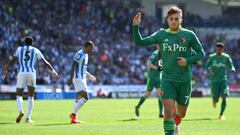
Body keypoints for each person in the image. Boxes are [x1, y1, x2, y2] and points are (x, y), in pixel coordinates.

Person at [132, 6, 205, 135]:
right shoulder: (161, 34)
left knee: (181, 113)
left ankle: (176, 121)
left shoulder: (189, 35)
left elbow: (201, 53)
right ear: (167, 20)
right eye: (171, 19)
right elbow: (140, 42)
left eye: (176, 19)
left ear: (181, 20)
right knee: (167, 111)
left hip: (185, 80)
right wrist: (135, 26)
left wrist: (187, 60)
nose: (174, 21)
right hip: (167, 79)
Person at [2, 36, 58, 123]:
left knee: (18, 95)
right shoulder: (35, 50)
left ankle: (21, 111)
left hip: (22, 73)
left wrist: (6, 69)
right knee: (31, 96)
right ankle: (28, 118)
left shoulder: (19, 49)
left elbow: (12, 61)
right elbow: (45, 62)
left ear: (24, 42)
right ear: (32, 43)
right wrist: (53, 71)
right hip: (32, 73)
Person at [67, 41, 96, 124]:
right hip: (78, 78)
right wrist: (70, 78)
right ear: (86, 47)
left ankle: (73, 118)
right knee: (85, 97)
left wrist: (89, 75)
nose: (92, 50)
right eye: (91, 48)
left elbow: (83, 69)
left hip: (82, 78)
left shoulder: (86, 55)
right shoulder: (79, 54)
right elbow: (73, 66)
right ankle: (73, 115)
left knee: (79, 98)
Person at [206, 42, 236, 120]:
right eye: (217, 49)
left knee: (224, 96)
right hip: (214, 81)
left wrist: (232, 68)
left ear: (222, 49)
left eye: (220, 49)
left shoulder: (226, 57)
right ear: (216, 49)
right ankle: (214, 100)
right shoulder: (211, 57)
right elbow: (207, 66)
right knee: (216, 97)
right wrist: (209, 70)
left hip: (223, 80)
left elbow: (231, 64)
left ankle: (221, 114)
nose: (218, 50)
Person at [135, 47, 164, 118]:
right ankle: (137, 106)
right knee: (147, 95)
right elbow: (148, 63)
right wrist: (157, 68)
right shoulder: (155, 54)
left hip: (159, 78)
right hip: (152, 78)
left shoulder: (164, 54)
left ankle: (161, 113)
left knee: (161, 95)